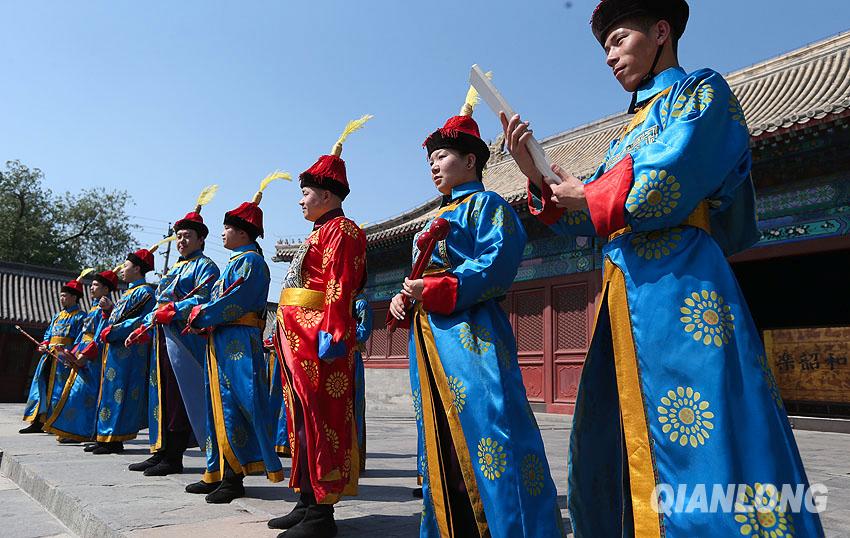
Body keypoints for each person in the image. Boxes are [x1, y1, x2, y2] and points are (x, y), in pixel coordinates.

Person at [501, 1, 825, 536]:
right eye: (603, 47)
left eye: (618, 39)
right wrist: (540, 182)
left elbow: (667, 179)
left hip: (682, 290)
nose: (609, 56)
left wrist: (591, 193)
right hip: (624, 302)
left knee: (702, 434)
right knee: (618, 439)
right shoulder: (624, 135)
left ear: (660, 31)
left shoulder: (700, 93)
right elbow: (590, 221)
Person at [389, 87, 563, 537]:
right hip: (428, 338)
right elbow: (420, 272)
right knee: (439, 436)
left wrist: (434, 288)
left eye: (442, 155)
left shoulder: (488, 205)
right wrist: (404, 296)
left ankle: (513, 527)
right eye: (430, 158)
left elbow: (497, 265)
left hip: (472, 332)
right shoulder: (433, 218)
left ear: (470, 161)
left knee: (492, 427)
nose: (433, 165)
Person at [269, 116, 370, 538]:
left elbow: (339, 286)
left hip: (318, 338)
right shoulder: (318, 232)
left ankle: (321, 514)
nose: (300, 201)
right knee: (301, 420)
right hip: (297, 337)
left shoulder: (342, 230)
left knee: (322, 419)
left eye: (305, 193)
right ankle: (307, 498)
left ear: (326, 195)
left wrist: (332, 332)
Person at [184, 172, 287, 504]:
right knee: (217, 405)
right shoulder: (236, 262)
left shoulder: (253, 263)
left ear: (243, 233)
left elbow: (234, 302)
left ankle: (234, 476)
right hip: (222, 340)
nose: (223, 233)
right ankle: (215, 471)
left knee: (236, 406)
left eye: (227, 228)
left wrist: (203, 315)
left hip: (239, 341)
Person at [126, 186, 220, 476]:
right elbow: (158, 305)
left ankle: (174, 456)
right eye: (178, 236)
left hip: (185, 340)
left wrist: (174, 310)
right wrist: (143, 327)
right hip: (161, 338)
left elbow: (204, 299)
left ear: (201, 239)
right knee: (162, 396)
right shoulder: (174, 269)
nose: (181, 240)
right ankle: (160, 450)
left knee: (180, 397)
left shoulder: (206, 267)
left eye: (187, 236)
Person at [90, 243, 163, 454]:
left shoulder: (147, 293)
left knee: (121, 393)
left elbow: (139, 321)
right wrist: (108, 313)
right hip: (116, 350)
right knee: (110, 392)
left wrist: (114, 331)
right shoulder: (128, 293)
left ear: (137, 268)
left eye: (126, 265)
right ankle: (104, 435)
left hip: (129, 349)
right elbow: (119, 317)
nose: (122, 269)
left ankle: (114, 437)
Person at [43, 269, 118, 443]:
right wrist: (74, 352)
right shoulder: (93, 308)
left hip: (94, 355)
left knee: (86, 394)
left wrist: (84, 355)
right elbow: (83, 335)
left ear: (106, 289)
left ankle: (85, 431)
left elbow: (100, 335)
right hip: (84, 349)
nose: (91, 288)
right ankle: (75, 430)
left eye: (96, 285)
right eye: (91, 285)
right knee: (76, 392)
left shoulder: (106, 309)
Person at [20, 272, 87, 433]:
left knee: (59, 391)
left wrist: (70, 355)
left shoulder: (80, 317)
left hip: (64, 359)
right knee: (40, 387)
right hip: (48, 356)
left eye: (64, 296)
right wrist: (44, 345)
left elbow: (79, 339)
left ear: (74, 297)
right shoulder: (57, 315)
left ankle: (54, 422)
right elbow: (48, 334)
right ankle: (37, 421)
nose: (61, 298)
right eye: (61, 296)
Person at [352, 293, 372, 472]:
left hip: (352, 361)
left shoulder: (361, 304)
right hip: (337, 359)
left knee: (354, 407)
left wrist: (341, 329)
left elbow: (363, 332)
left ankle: (354, 460)